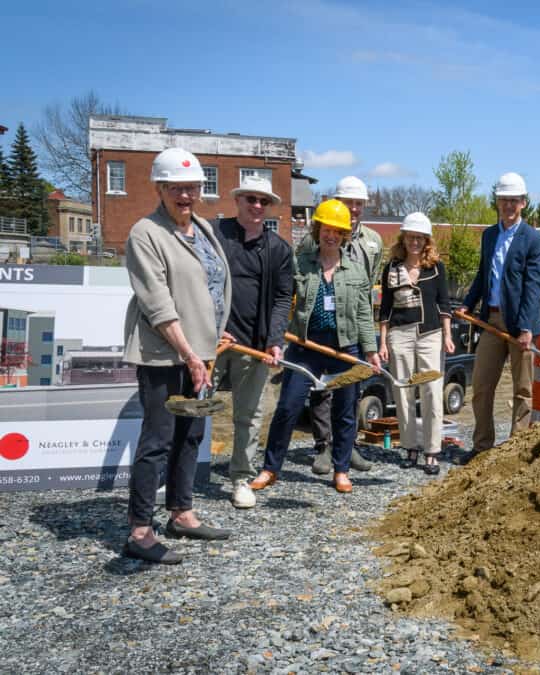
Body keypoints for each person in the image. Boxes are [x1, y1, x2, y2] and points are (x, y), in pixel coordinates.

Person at [122, 148, 232, 564]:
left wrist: (217, 331)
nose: (186, 195)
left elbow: (210, 286)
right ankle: (140, 530)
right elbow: (159, 303)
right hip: (164, 354)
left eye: (192, 188)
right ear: (161, 188)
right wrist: (189, 353)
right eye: (177, 188)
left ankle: (182, 513)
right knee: (157, 439)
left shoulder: (201, 228)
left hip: (201, 351)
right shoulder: (146, 233)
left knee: (192, 435)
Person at [250, 199, 381, 494]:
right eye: (326, 229)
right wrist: (276, 338)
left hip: (344, 348)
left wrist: (370, 351)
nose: (330, 235)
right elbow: (284, 302)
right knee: (288, 407)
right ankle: (270, 468)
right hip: (306, 345)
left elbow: (363, 314)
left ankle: (341, 469)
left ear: (345, 234)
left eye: (337, 231)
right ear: (317, 229)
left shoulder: (356, 271)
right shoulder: (302, 264)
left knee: (345, 411)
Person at [213, 175, 294, 509]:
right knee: (194, 408)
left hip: (254, 345)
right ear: (238, 200)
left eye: (263, 201)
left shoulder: (278, 249)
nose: (257, 206)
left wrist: (274, 340)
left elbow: (281, 298)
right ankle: (176, 476)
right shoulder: (215, 235)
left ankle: (240, 479)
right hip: (211, 342)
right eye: (251, 199)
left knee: (248, 415)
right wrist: (209, 326)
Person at [457, 172, 540, 453]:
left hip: (522, 324)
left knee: (522, 390)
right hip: (492, 320)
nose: (508, 205)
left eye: (514, 200)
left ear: (523, 203)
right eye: (503, 200)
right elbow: (483, 274)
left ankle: (516, 450)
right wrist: (468, 303)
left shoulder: (533, 240)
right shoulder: (490, 235)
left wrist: (524, 329)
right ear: (497, 201)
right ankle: (482, 447)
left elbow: (534, 288)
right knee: (482, 386)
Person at [306, 176, 382, 475]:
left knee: (352, 387)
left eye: (358, 203)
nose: (353, 208)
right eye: (348, 202)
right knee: (322, 388)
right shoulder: (316, 235)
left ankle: (348, 446)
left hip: (355, 323)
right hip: (322, 325)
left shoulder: (373, 241)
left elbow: (370, 283)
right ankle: (324, 446)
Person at [377, 212, 454, 474]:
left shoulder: (436, 267)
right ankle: (410, 446)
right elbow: (385, 307)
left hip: (430, 333)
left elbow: (444, 303)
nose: (415, 242)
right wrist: (383, 342)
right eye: (411, 237)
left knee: (432, 390)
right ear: (404, 238)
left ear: (426, 240)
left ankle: (432, 450)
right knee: (402, 391)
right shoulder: (391, 268)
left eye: (420, 238)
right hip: (400, 334)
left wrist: (448, 335)